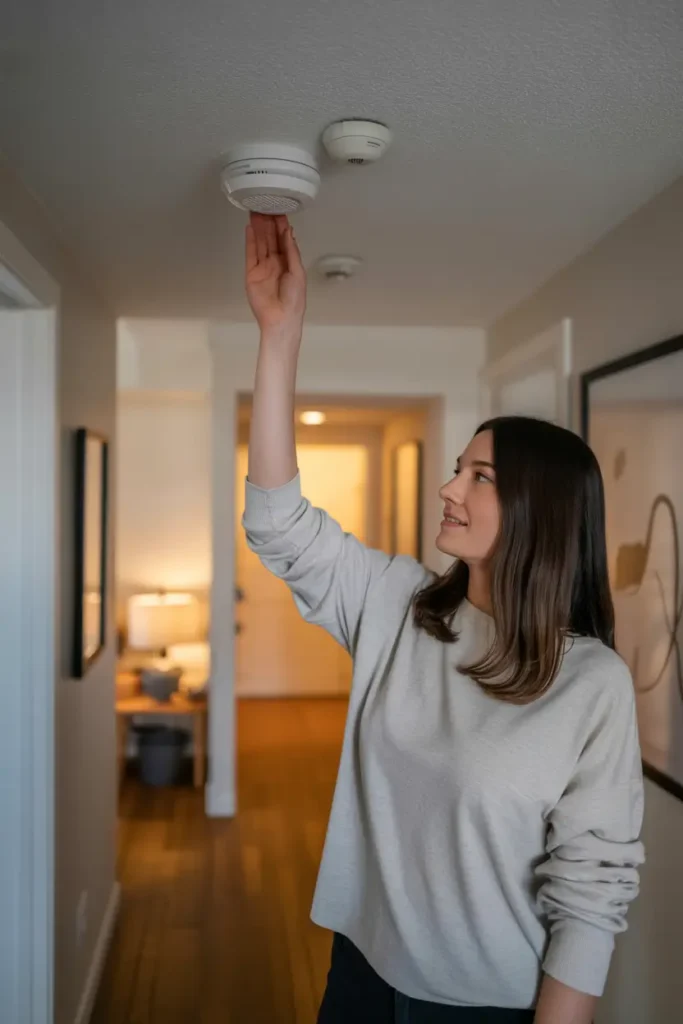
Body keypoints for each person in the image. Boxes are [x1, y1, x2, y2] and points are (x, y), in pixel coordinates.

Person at [241, 212, 645, 1023]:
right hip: (360, 965)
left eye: (478, 476)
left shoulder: (590, 682)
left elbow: (591, 891)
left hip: (480, 1001)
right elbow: (277, 523)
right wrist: (279, 335)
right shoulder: (398, 604)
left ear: (539, 511)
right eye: (457, 467)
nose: (448, 489)